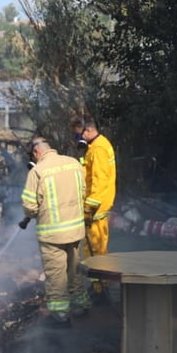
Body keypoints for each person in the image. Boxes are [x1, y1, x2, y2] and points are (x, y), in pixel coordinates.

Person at [20, 136, 89, 325]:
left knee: (56, 276)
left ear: (36, 152)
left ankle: (60, 316)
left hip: (52, 235)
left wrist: (37, 213)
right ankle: (81, 305)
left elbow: (29, 207)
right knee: (74, 270)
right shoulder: (73, 163)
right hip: (75, 231)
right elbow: (82, 192)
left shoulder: (37, 171)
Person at [70, 116, 117, 297]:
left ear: (88, 131)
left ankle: (100, 288)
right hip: (99, 205)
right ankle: (99, 285)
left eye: (78, 136)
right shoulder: (96, 147)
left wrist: (88, 208)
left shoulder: (98, 149)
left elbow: (98, 182)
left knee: (94, 249)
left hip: (96, 208)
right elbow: (89, 174)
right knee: (96, 248)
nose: (77, 140)